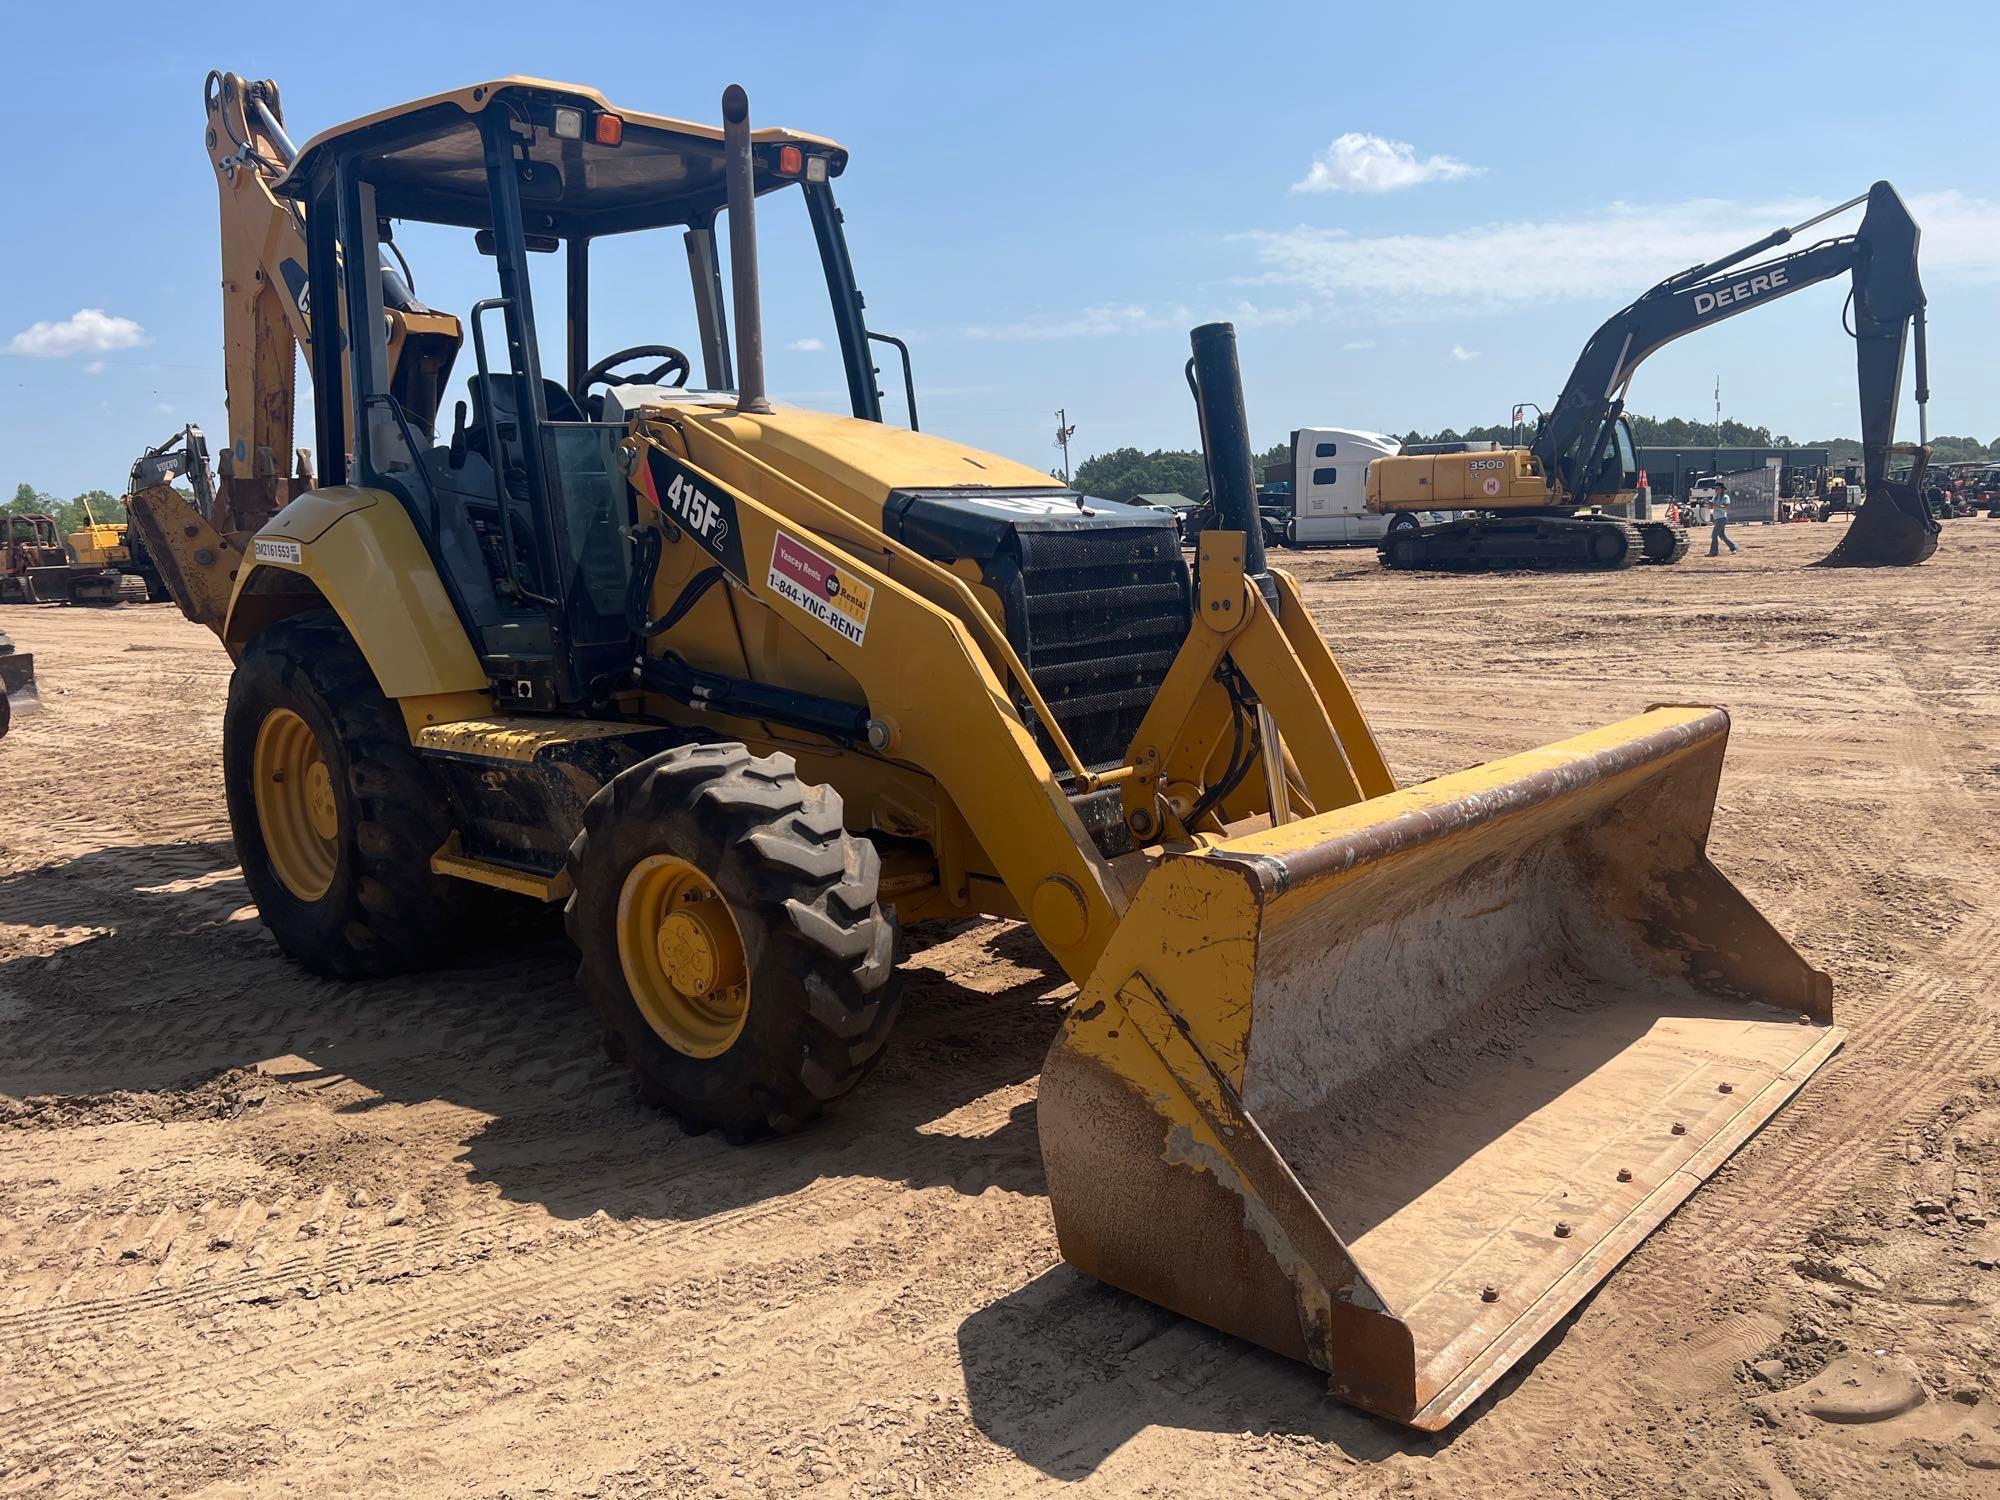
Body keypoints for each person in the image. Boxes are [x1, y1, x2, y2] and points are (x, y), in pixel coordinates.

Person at [1708, 487, 1738, 555]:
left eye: (1717, 489)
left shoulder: (1725, 497)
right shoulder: (1715, 497)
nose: (1715, 490)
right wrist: (1710, 505)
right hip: (1717, 518)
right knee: (1722, 535)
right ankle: (1733, 547)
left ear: (1721, 490)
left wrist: (1715, 505)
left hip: (1722, 518)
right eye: (1715, 489)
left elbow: (1726, 507)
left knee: (1714, 535)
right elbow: (1711, 507)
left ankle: (1714, 551)